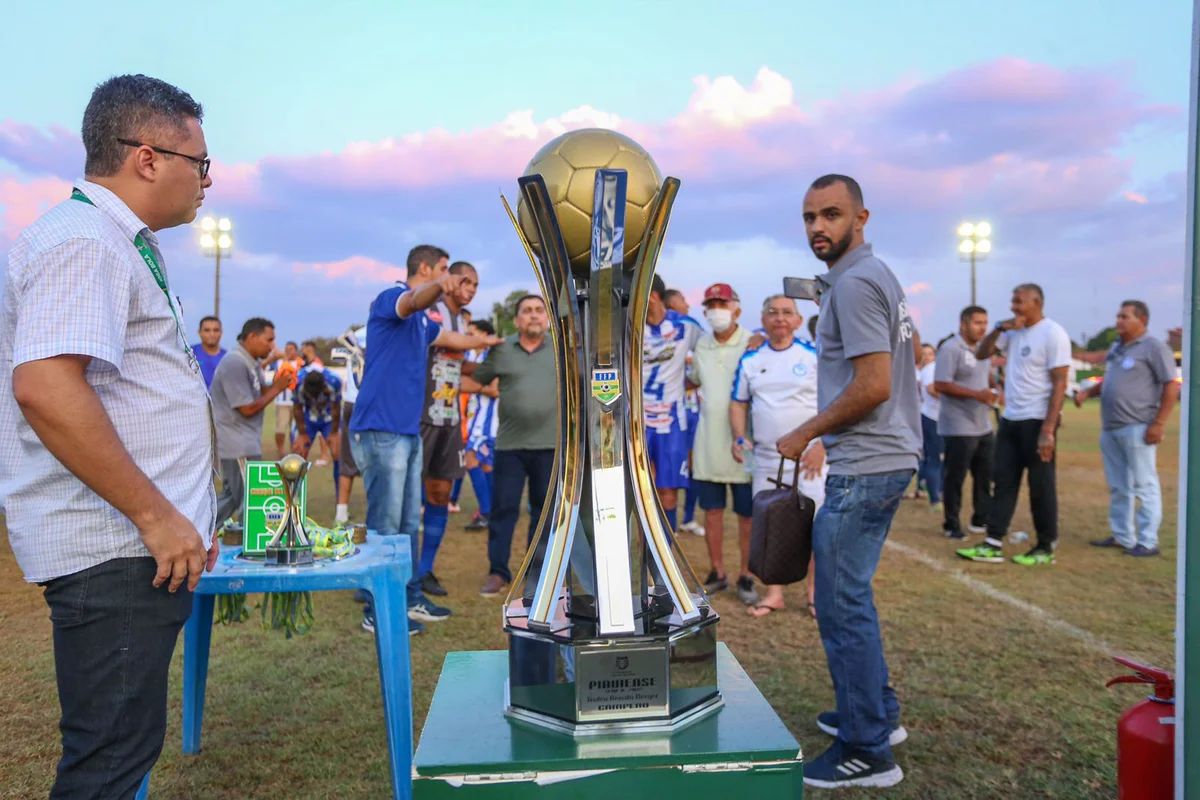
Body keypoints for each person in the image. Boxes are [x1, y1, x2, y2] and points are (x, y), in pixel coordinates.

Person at [0, 73, 219, 798]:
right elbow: (46, 386)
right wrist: (159, 517)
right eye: (201, 163)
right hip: (118, 550)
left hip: (134, 548)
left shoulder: (109, 241)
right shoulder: (86, 240)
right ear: (148, 157)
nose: (207, 182)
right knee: (107, 767)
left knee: (121, 756)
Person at [775, 174, 919, 789]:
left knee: (838, 602)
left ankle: (867, 750)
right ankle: (875, 716)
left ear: (861, 217)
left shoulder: (857, 282)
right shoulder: (867, 275)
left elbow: (874, 385)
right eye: (809, 217)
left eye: (831, 215)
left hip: (866, 462)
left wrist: (804, 431)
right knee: (850, 596)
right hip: (885, 457)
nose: (817, 227)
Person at [349, 245, 499, 634]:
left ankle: (407, 596)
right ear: (427, 268)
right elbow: (413, 298)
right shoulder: (392, 299)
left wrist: (490, 345)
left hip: (406, 430)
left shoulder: (422, 324)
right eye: (445, 269)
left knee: (405, 523)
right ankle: (375, 607)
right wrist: (439, 285)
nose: (450, 278)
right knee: (384, 522)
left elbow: (451, 338)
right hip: (381, 429)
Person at [958, 284, 1071, 566]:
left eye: (1019, 302)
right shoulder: (1013, 333)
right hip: (1011, 419)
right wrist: (998, 327)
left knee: (1040, 485)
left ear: (1036, 302)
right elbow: (982, 353)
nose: (1013, 307)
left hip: (1037, 421)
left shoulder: (1053, 333)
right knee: (1003, 482)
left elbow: (1060, 384)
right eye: (1012, 301)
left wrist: (1048, 429)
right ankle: (993, 542)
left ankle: (1045, 546)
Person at [731, 294, 825, 619]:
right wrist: (739, 438)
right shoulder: (751, 360)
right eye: (773, 312)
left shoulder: (814, 357)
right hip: (767, 461)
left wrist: (821, 445)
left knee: (814, 525)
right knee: (770, 525)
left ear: (798, 320)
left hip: (810, 461)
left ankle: (814, 595)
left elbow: (835, 402)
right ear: (763, 318)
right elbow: (738, 402)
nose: (780, 318)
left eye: (787, 312)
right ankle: (774, 594)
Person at [464, 295, 558, 598]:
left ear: (547, 318)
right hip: (510, 446)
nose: (533, 316)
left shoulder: (562, 351)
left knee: (544, 512)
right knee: (503, 510)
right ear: (516, 320)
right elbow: (476, 380)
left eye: (538, 310)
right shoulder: (502, 350)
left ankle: (538, 572)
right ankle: (498, 571)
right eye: (526, 311)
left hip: (550, 446)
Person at [1077, 300, 1180, 556]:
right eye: (1118, 316)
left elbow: (1171, 385)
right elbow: (1110, 379)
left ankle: (1147, 541)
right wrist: (1089, 391)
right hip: (1111, 427)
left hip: (1138, 426)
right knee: (1119, 485)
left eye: (1125, 317)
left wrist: (1158, 423)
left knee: (1145, 485)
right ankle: (1122, 536)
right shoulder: (1116, 347)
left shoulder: (1154, 347)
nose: (1118, 321)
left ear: (1142, 320)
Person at [687, 283, 756, 602]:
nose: (716, 310)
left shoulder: (754, 344)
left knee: (748, 515)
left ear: (736, 310)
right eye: (711, 304)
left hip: (745, 444)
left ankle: (747, 574)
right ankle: (718, 572)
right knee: (711, 512)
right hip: (707, 443)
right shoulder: (702, 345)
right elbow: (694, 380)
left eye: (722, 303)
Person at [417, 261, 480, 597]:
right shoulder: (433, 310)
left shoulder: (461, 320)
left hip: (450, 415)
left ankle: (425, 569)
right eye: (465, 281)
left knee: (440, 493)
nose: (469, 289)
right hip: (420, 415)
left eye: (475, 285)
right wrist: (485, 344)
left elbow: (459, 363)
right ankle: (398, 569)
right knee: (407, 497)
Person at [210, 318, 291, 527]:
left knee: (236, 496)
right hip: (237, 443)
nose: (272, 346)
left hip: (245, 441)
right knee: (246, 498)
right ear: (252, 337)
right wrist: (277, 389)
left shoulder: (250, 361)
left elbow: (259, 393)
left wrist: (275, 384)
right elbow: (246, 408)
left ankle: (203, 532)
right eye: (268, 340)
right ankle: (206, 532)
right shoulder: (235, 362)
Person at [643, 274, 703, 531]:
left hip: (672, 421)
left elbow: (713, 353)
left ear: (652, 296)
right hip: (636, 421)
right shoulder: (625, 328)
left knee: (668, 492)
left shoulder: (686, 326)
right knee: (639, 488)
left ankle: (665, 553)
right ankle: (640, 547)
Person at [933, 306, 998, 540]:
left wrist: (994, 388)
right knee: (956, 477)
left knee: (985, 474)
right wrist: (976, 394)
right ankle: (951, 523)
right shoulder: (951, 348)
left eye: (985, 322)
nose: (983, 327)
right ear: (963, 324)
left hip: (983, 423)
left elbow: (986, 375)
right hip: (958, 425)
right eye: (977, 322)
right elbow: (941, 384)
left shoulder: (984, 349)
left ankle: (980, 519)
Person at [665, 289, 704, 535]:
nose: (687, 304)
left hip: (693, 408)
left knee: (691, 465)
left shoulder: (693, 333)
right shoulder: (671, 331)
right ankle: (671, 520)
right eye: (683, 300)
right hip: (673, 411)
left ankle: (687, 518)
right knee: (673, 469)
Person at [462, 319, 500, 533]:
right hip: (474, 419)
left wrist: (470, 387)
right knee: (485, 465)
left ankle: (487, 511)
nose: (469, 337)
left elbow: (495, 390)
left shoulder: (490, 357)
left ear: (485, 335)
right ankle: (491, 509)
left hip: (488, 421)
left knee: (473, 460)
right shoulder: (470, 356)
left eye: (473, 333)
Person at [335, 326, 365, 524]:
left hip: (350, 401)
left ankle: (341, 511)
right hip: (369, 402)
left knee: (347, 459)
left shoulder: (357, 335)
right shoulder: (384, 332)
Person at [293, 367, 343, 480]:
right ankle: (293, 495)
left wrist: (334, 432)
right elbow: (297, 408)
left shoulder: (334, 382)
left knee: (338, 453)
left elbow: (336, 409)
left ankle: (340, 496)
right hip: (309, 417)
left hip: (329, 417)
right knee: (298, 453)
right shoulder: (297, 383)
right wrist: (302, 433)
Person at [916, 343, 943, 512]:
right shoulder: (930, 369)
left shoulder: (927, 370)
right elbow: (931, 389)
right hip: (932, 418)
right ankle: (935, 497)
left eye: (930, 354)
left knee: (927, 457)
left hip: (929, 416)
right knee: (935, 459)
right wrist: (953, 398)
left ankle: (925, 485)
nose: (927, 357)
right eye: (924, 354)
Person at [270, 341, 303, 458]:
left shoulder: (301, 364)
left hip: (297, 402)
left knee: (296, 429)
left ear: (296, 350)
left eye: (291, 349)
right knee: (281, 428)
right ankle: (281, 451)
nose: (288, 351)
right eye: (286, 349)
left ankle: (294, 451)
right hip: (282, 401)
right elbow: (274, 380)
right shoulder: (279, 363)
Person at [191, 315, 225, 389]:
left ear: (221, 332)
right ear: (199, 332)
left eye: (216, 330)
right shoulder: (190, 353)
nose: (212, 334)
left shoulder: (227, 358)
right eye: (207, 330)